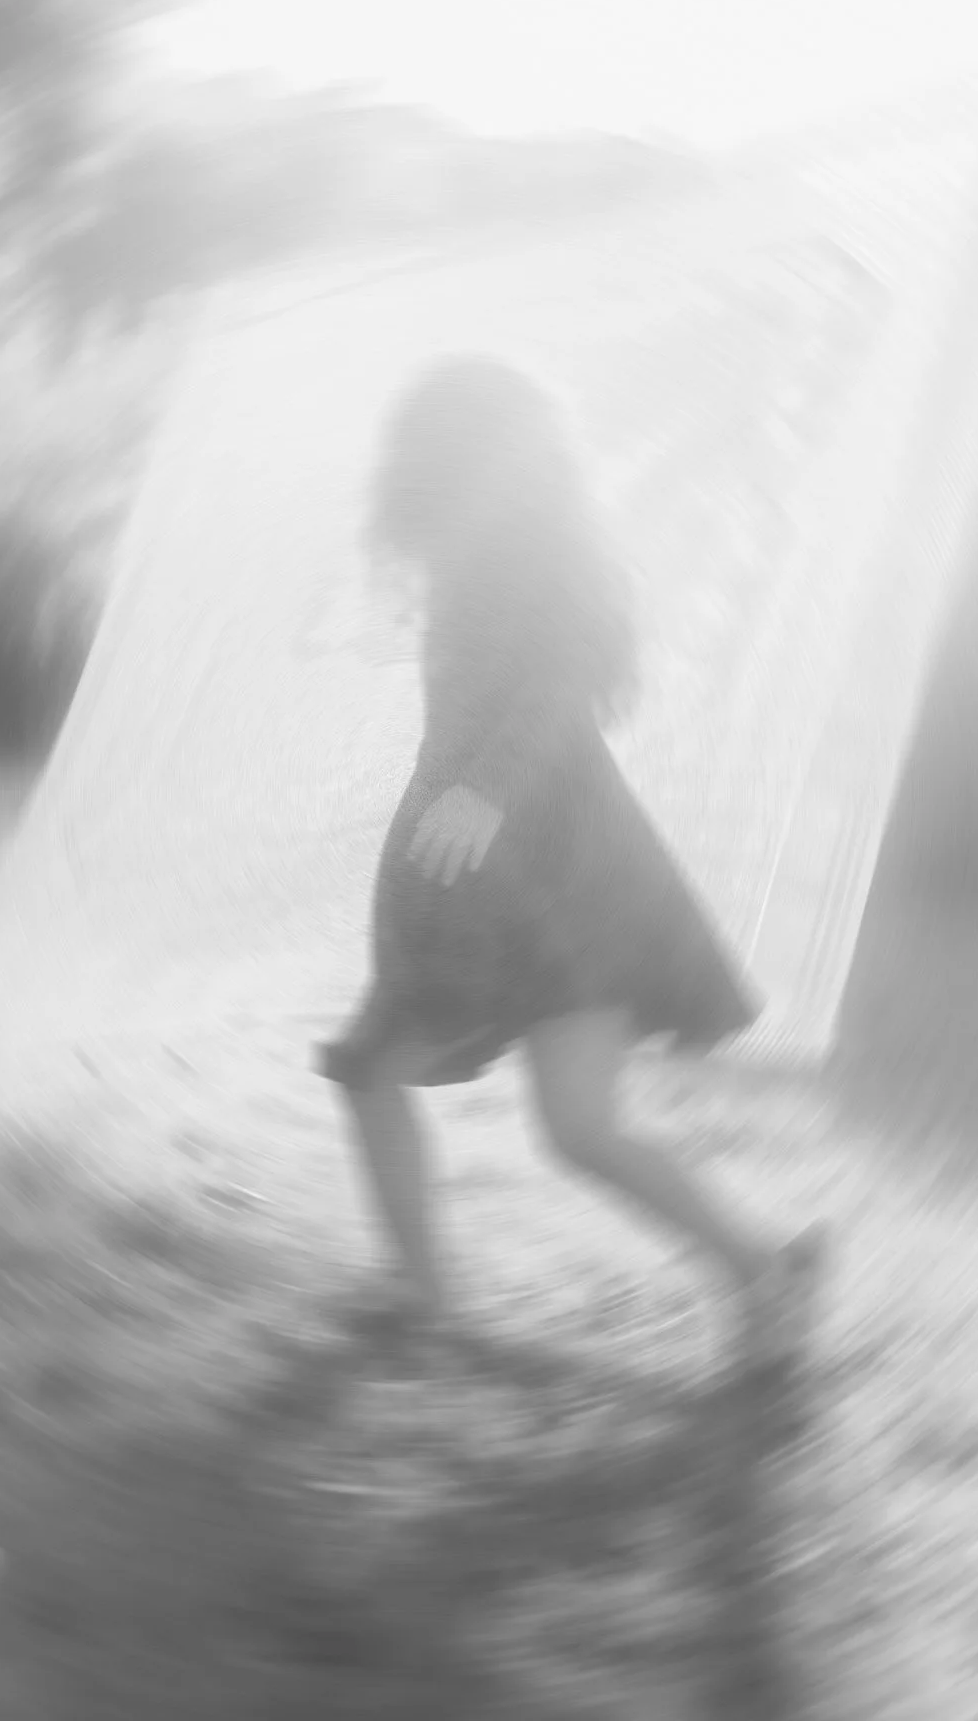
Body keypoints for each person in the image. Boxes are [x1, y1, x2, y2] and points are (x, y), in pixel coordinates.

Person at [319, 355, 825, 1364]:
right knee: (515, 1105)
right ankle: (758, 1264)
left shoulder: (531, 552)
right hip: (508, 857)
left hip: (548, 860)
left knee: (547, 1115)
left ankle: (760, 1269)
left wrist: (479, 792)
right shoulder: (476, 551)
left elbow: (558, 687)